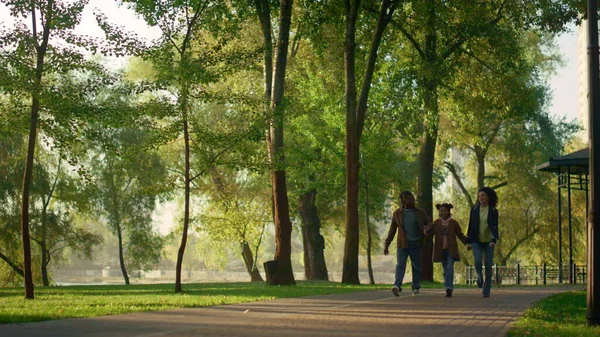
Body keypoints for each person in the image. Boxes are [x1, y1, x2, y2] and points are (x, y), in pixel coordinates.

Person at [384, 191, 432, 297]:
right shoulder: (397, 213)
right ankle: (397, 285)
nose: (412, 201)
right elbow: (392, 229)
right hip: (402, 244)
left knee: (417, 266)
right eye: (409, 199)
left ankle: (415, 286)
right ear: (403, 200)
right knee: (400, 265)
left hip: (416, 243)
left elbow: (428, 221)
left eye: (413, 199)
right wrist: (387, 243)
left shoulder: (420, 212)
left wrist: (427, 227)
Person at [425, 203, 467, 298]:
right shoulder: (436, 223)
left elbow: (460, 234)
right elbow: (430, 232)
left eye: (445, 210)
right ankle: (447, 284)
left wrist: (467, 243)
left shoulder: (454, 223)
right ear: (439, 212)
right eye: (441, 211)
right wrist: (426, 231)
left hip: (451, 249)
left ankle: (449, 287)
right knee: (445, 269)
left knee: (449, 267)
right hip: (440, 249)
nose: (443, 212)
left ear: (448, 211)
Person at [466, 187, 499, 298]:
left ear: (488, 197)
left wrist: (493, 240)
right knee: (478, 261)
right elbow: (470, 225)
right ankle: (479, 277)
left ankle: (486, 291)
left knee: (488, 265)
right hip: (476, 240)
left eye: (483, 195)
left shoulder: (493, 211)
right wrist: (468, 241)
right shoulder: (474, 209)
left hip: (489, 241)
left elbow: (495, 227)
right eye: (479, 196)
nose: (481, 198)